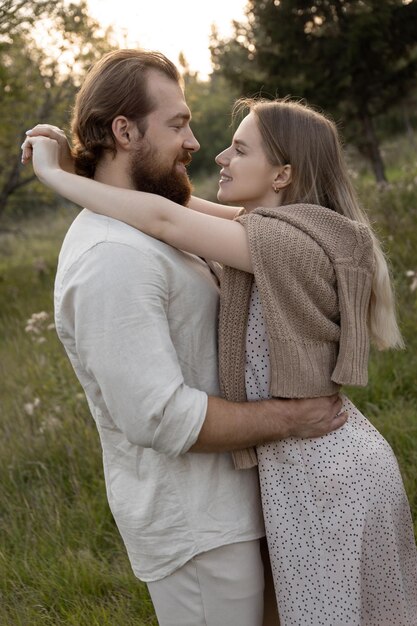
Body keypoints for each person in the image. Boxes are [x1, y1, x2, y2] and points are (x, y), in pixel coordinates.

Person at [24, 90, 417, 625]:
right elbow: (177, 206)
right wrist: (88, 169)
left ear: (282, 175)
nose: (218, 157)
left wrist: (56, 177)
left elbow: (165, 220)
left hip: (325, 475)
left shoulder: (284, 246)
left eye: (240, 149)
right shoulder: (285, 228)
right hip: (327, 467)